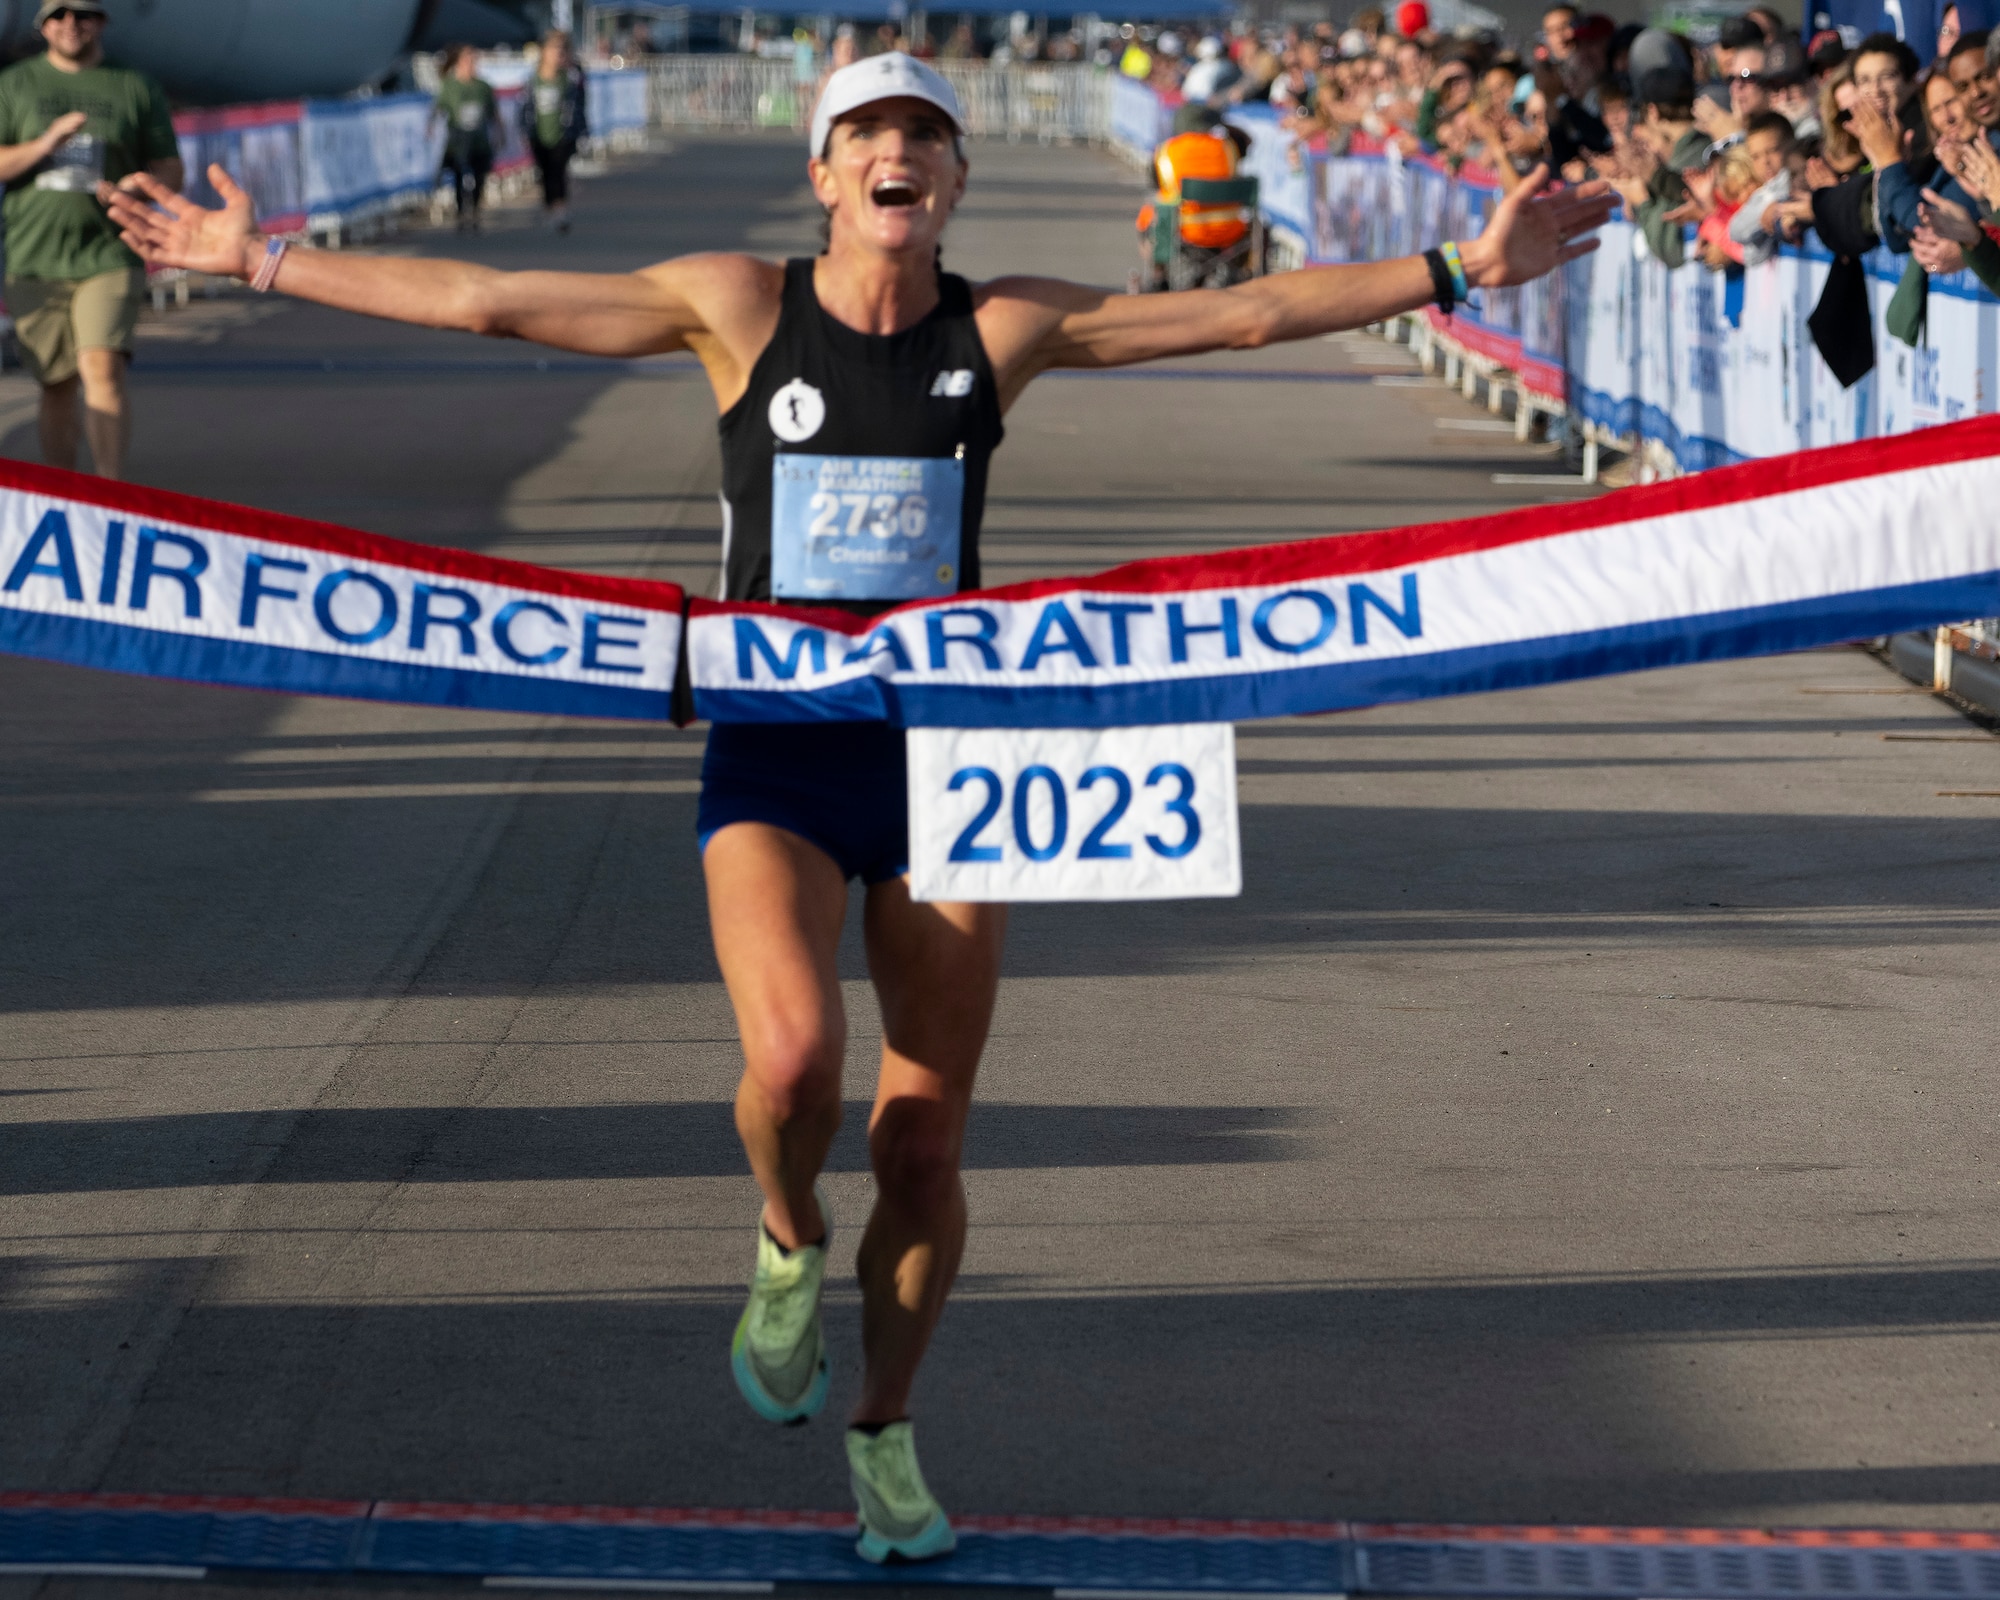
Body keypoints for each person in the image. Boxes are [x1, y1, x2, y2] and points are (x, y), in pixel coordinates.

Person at [106, 50, 1612, 1568]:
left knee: (923, 1147)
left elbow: (1241, 309)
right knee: (793, 1060)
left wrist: (1462, 264)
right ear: (823, 176)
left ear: (952, 181)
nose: (900, 155)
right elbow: (494, 305)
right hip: (778, 743)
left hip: (957, 754)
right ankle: (781, 1233)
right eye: (870, 136)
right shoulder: (734, 307)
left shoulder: (1003, 324)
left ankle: (885, 1429)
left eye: (926, 137)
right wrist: (263, 260)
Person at [0, 0, 179, 480]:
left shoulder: (133, 86)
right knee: (56, 384)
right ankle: (65, 496)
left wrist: (134, 186)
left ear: (101, 22)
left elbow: (169, 170)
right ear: (42, 25)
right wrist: (46, 143)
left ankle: (109, 491)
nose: (70, 25)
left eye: (83, 15)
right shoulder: (15, 84)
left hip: (109, 251)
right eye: (58, 15)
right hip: (34, 256)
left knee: (102, 368)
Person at [522, 30, 588, 234]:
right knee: (545, 172)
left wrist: (582, 132)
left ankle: (560, 211)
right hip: (539, 134)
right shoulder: (533, 80)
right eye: (553, 49)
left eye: (561, 50)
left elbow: (580, 105)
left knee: (558, 171)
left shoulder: (571, 78)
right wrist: (524, 131)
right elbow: (525, 108)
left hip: (564, 134)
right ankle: (550, 207)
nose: (557, 54)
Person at [433, 44, 501, 232]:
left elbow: (494, 113)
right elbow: (439, 108)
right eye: (467, 60)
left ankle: (476, 211)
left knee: (479, 178)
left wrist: (500, 132)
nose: (471, 64)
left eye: (473, 60)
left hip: (479, 142)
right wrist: (430, 127)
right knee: (458, 177)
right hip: (457, 143)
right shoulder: (450, 86)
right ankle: (462, 213)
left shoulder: (483, 87)